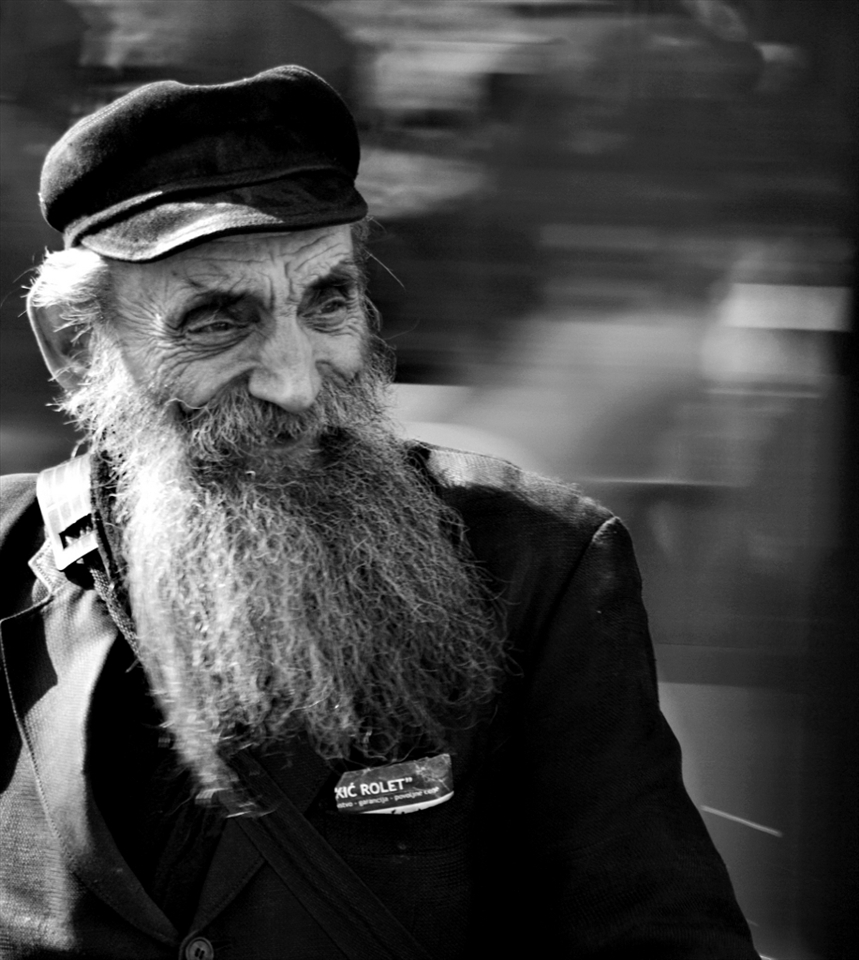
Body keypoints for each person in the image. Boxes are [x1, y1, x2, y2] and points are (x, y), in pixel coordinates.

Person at [0, 65, 760, 960]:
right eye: (216, 320)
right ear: (77, 345)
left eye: (327, 302)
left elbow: (657, 934)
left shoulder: (536, 562)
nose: (293, 381)